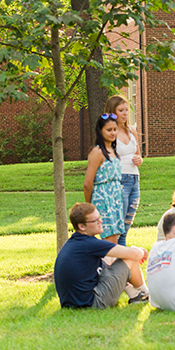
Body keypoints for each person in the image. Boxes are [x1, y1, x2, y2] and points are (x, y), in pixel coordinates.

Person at [53, 203, 149, 308]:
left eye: (100, 218)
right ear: (82, 226)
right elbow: (135, 254)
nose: (101, 222)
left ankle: (135, 295)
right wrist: (138, 250)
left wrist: (133, 251)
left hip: (73, 302)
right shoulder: (90, 244)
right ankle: (145, 293)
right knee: (129, 257)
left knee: (113, 255)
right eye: (95, 221)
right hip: (92, 303)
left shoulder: (76, 242)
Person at [104, 95, 142, 247]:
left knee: (126, 227)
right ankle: (109, 261)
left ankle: (121, 264)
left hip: (134, 181)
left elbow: (138, 155)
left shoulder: (132, 131)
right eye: (121, 110)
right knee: (117, 227)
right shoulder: (108, 132)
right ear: (113, 112)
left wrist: (139, 160)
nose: (125, 113)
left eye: (126, 110)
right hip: (119, 181)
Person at [83, 114, 124, 243]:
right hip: (103, 199)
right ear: (100, 131)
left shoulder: (112, 150)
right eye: (109, 130)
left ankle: (112, 263)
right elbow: (87, 183)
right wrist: (89, 206)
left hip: (115, 199)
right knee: (109, 241)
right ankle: (108, 264)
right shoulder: (97, 152)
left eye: (115, 129)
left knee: (115, 239)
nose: (113, 133)